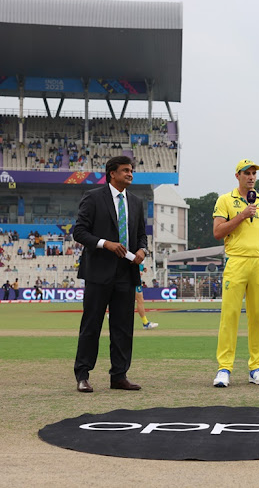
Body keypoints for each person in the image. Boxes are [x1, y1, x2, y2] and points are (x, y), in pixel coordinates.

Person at [72, 155, 148, 393]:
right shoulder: (93, 197)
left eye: (131, 170)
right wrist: (106, 243)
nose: (130, 173)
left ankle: (119, 375)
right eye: (125, 170)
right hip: (98, 272)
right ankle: (82, 375)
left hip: (127, 272)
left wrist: (142, 250)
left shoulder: (136, 202)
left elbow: (141, 235)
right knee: (91, 325)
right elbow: (79, 232)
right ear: (112, 173)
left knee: (123, 327)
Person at [211, 159, 259, 387]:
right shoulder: (225, 200)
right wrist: (242, 215)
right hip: (235, 261)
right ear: (237, 175)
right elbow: (217, 232)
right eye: (247, 173)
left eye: (254, 173)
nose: (252, 177)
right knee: (230, 317)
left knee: (258, 317)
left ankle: (256, 368)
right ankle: (224, 368)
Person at [136, 264, 158, 329]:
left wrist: (142, 268)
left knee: (138, 300)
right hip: (133, 279)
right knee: (140, 300)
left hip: (136, 279)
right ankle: (145, 323)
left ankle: (114, 314)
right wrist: (136, 271)